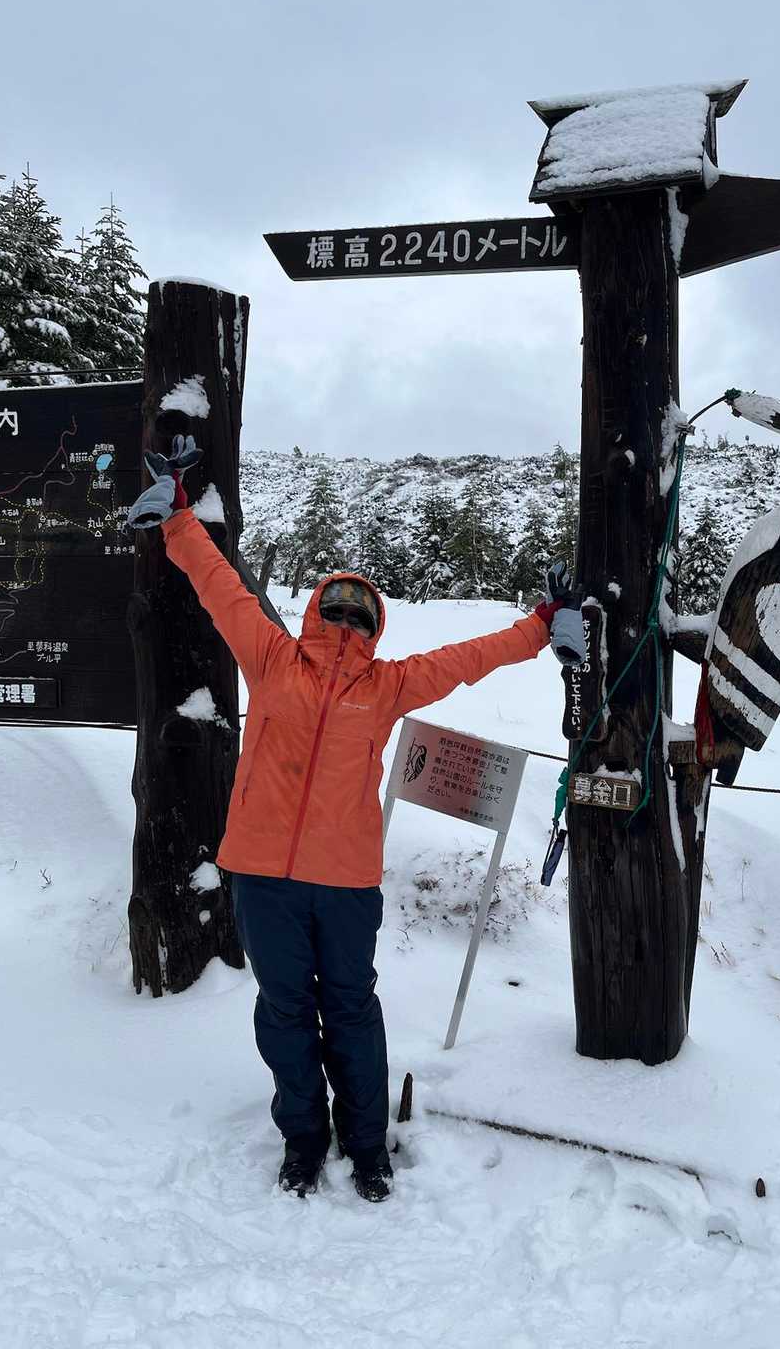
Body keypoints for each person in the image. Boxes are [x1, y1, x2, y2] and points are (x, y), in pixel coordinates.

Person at [128, 438, 582, 1202]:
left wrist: (541, 625)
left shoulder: (390, 685)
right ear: (315, 613)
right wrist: (178, 519)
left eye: (358, 612)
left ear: (375, 625)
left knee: (349, 1011)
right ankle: (303, 1140)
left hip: (343, 884)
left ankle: (367, 1145)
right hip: (264, 876)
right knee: (284, 1012)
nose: (345, 619)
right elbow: (223, 589)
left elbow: (469, 657)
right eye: (335, 608)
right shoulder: (273, 659)